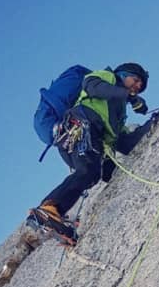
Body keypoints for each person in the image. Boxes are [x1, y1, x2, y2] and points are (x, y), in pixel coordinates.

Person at [29, 62, 151, 242]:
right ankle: (48, 209)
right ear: (123, 74)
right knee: (88, 170)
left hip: (83, 136)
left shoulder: (118, 112)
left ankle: (53, 214)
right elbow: (92, 86)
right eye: (136, 80)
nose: (137, 87)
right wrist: (129, 97)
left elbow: (122, 143)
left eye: (140, 88)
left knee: (92, 174)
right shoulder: (108, 77)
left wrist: (151, 125)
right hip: (82, 124)